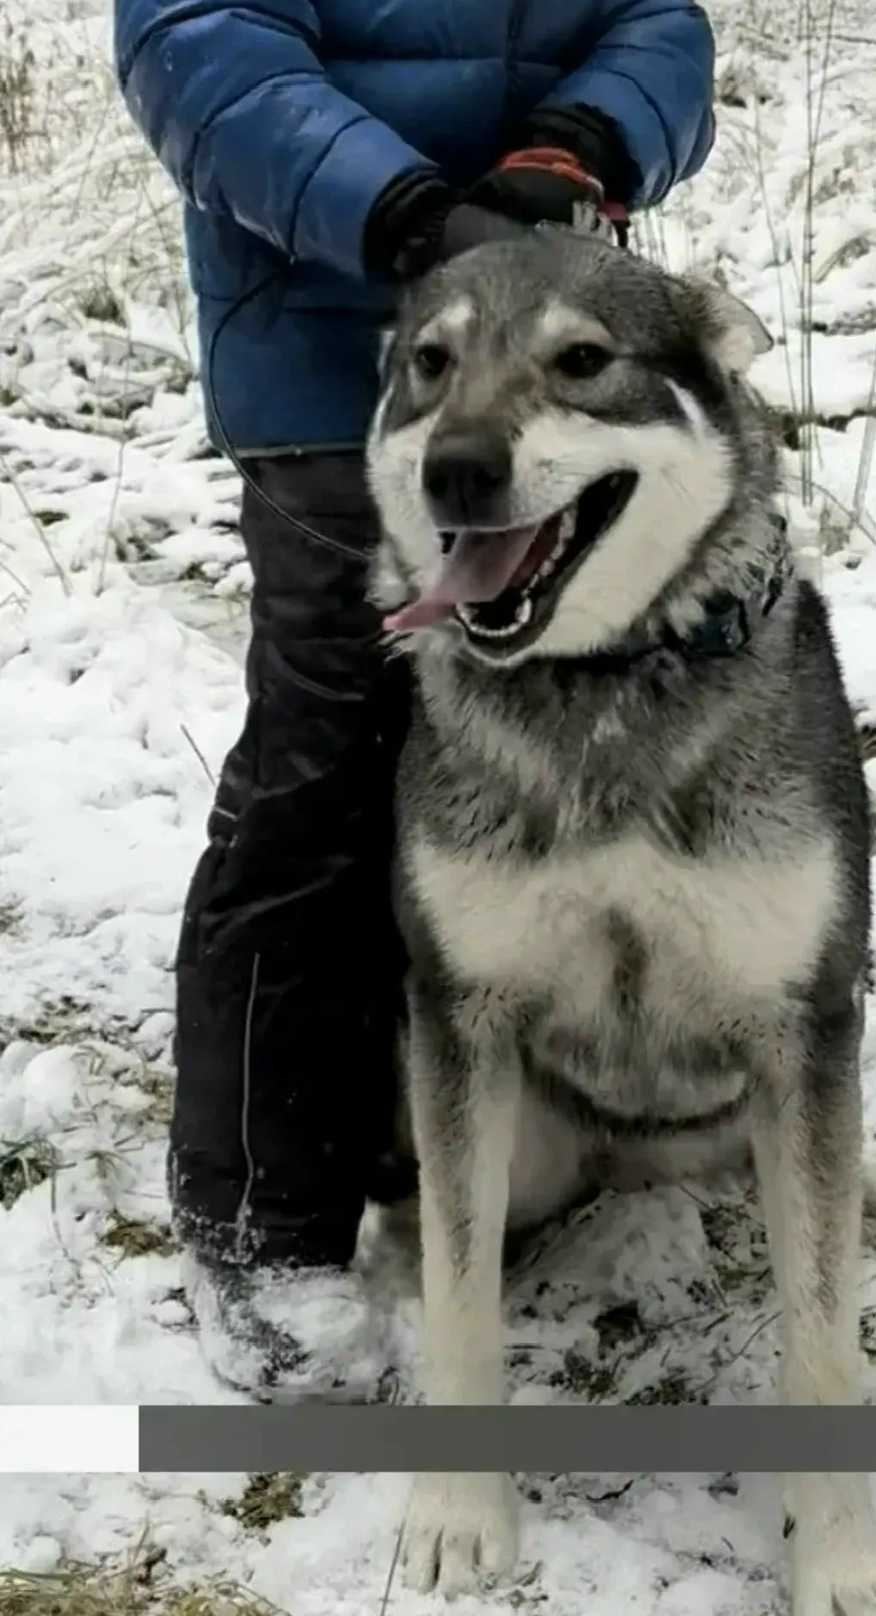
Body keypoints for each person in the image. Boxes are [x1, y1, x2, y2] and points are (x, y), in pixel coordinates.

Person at [114, 0, 716, 1396]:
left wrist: (583, 142)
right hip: (342, 373)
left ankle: (507, 1124)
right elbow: (199, 44)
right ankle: (262, 1211)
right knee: (327, 776)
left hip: (559, 391)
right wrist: (402, 217)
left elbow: (656, 21)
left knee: (568, 767)